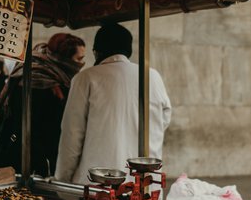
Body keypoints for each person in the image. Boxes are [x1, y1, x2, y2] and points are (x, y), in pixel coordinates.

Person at [55, 23, 171, 184]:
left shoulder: (86, 78)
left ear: (97, 52)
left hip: (98, 184)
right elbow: (164, 119)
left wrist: (62, 179)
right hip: (144, 183)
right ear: (128, 51)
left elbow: (72, 135)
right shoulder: (152, 76)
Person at [0, 34, 86, 175]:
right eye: (78, 59)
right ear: (63, 58)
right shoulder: (37, 81)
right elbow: (35, 126)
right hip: (26, 158)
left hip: (33, 154)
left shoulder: (51, 76)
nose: (81, 64)